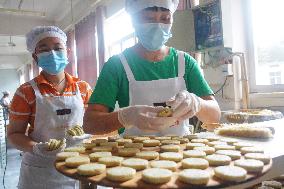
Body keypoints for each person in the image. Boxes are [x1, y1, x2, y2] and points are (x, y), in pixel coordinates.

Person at [83, 0, 221, 136]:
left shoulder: (185, 62)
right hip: (132, 154)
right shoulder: (116, 66)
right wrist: (125, 116)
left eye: (165, 18)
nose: (157, 25)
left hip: (180, 152)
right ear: (133, 20)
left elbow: (215, 116)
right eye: (148, 18)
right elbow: (90, 124)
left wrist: (197, 103)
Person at [7, 26, 92, 189]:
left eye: (57, 48)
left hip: (78, 163)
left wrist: (86, 134)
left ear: (67, 52)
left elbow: (91, 123)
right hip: (41, 171)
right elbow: (14, 134)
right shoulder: (25, 92)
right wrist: (36, 148)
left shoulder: (83, 88)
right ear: (35, 56)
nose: (52, 54)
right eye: (44, 50)